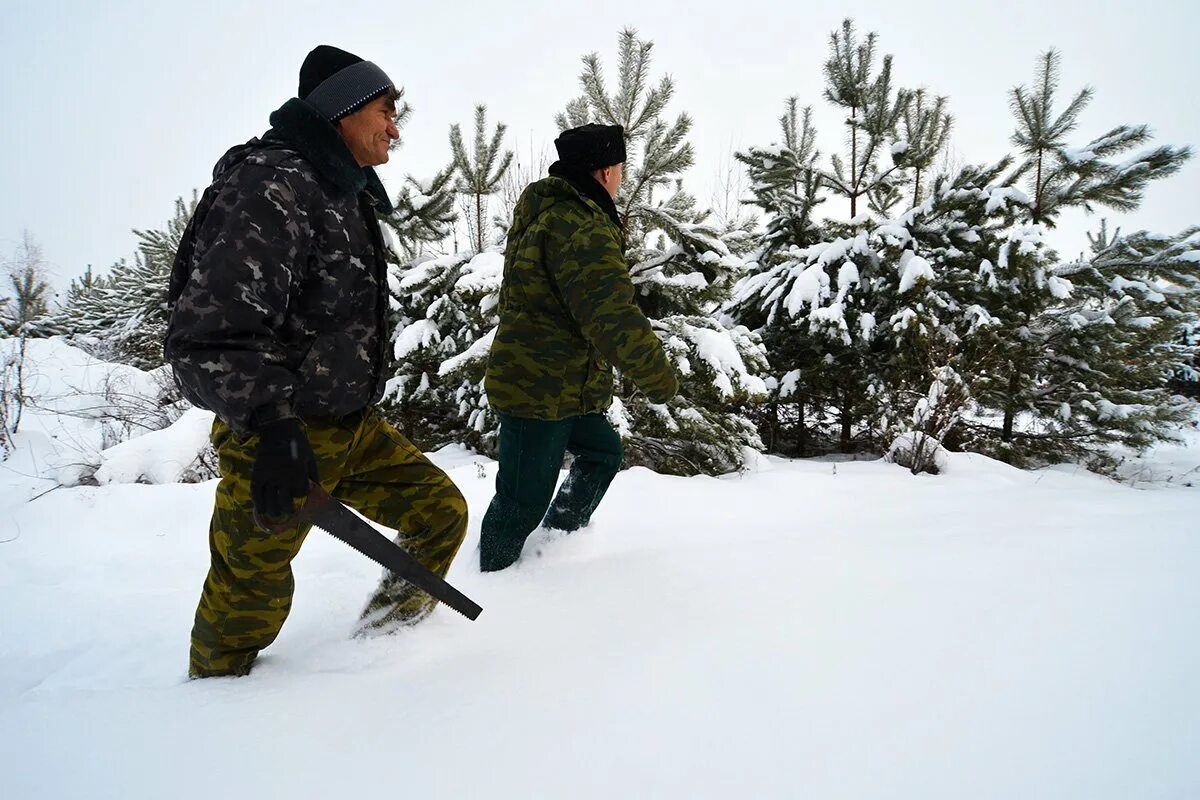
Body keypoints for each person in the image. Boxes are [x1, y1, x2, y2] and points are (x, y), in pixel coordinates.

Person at [165, 46, 467, 678]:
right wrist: (274, 426)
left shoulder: (341, 192)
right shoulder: (271, 184)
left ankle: (384, 650)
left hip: (351, 428)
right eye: (386, 111)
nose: (395, 128)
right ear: (342, 111)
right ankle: (207, 714)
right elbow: (211, 332)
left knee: (440, 514)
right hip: (279, 438)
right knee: (249, 599)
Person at [479, 123, 679, 572]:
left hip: (564, 386)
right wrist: (658, 379)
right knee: (521, 499)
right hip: (539, 390)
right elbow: (611, 315)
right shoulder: (576, 224)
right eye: (621, 168)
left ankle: (555, 547)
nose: (622, 177)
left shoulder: (555, 212)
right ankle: (490, 580)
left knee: (603, 452)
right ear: (605, 170)